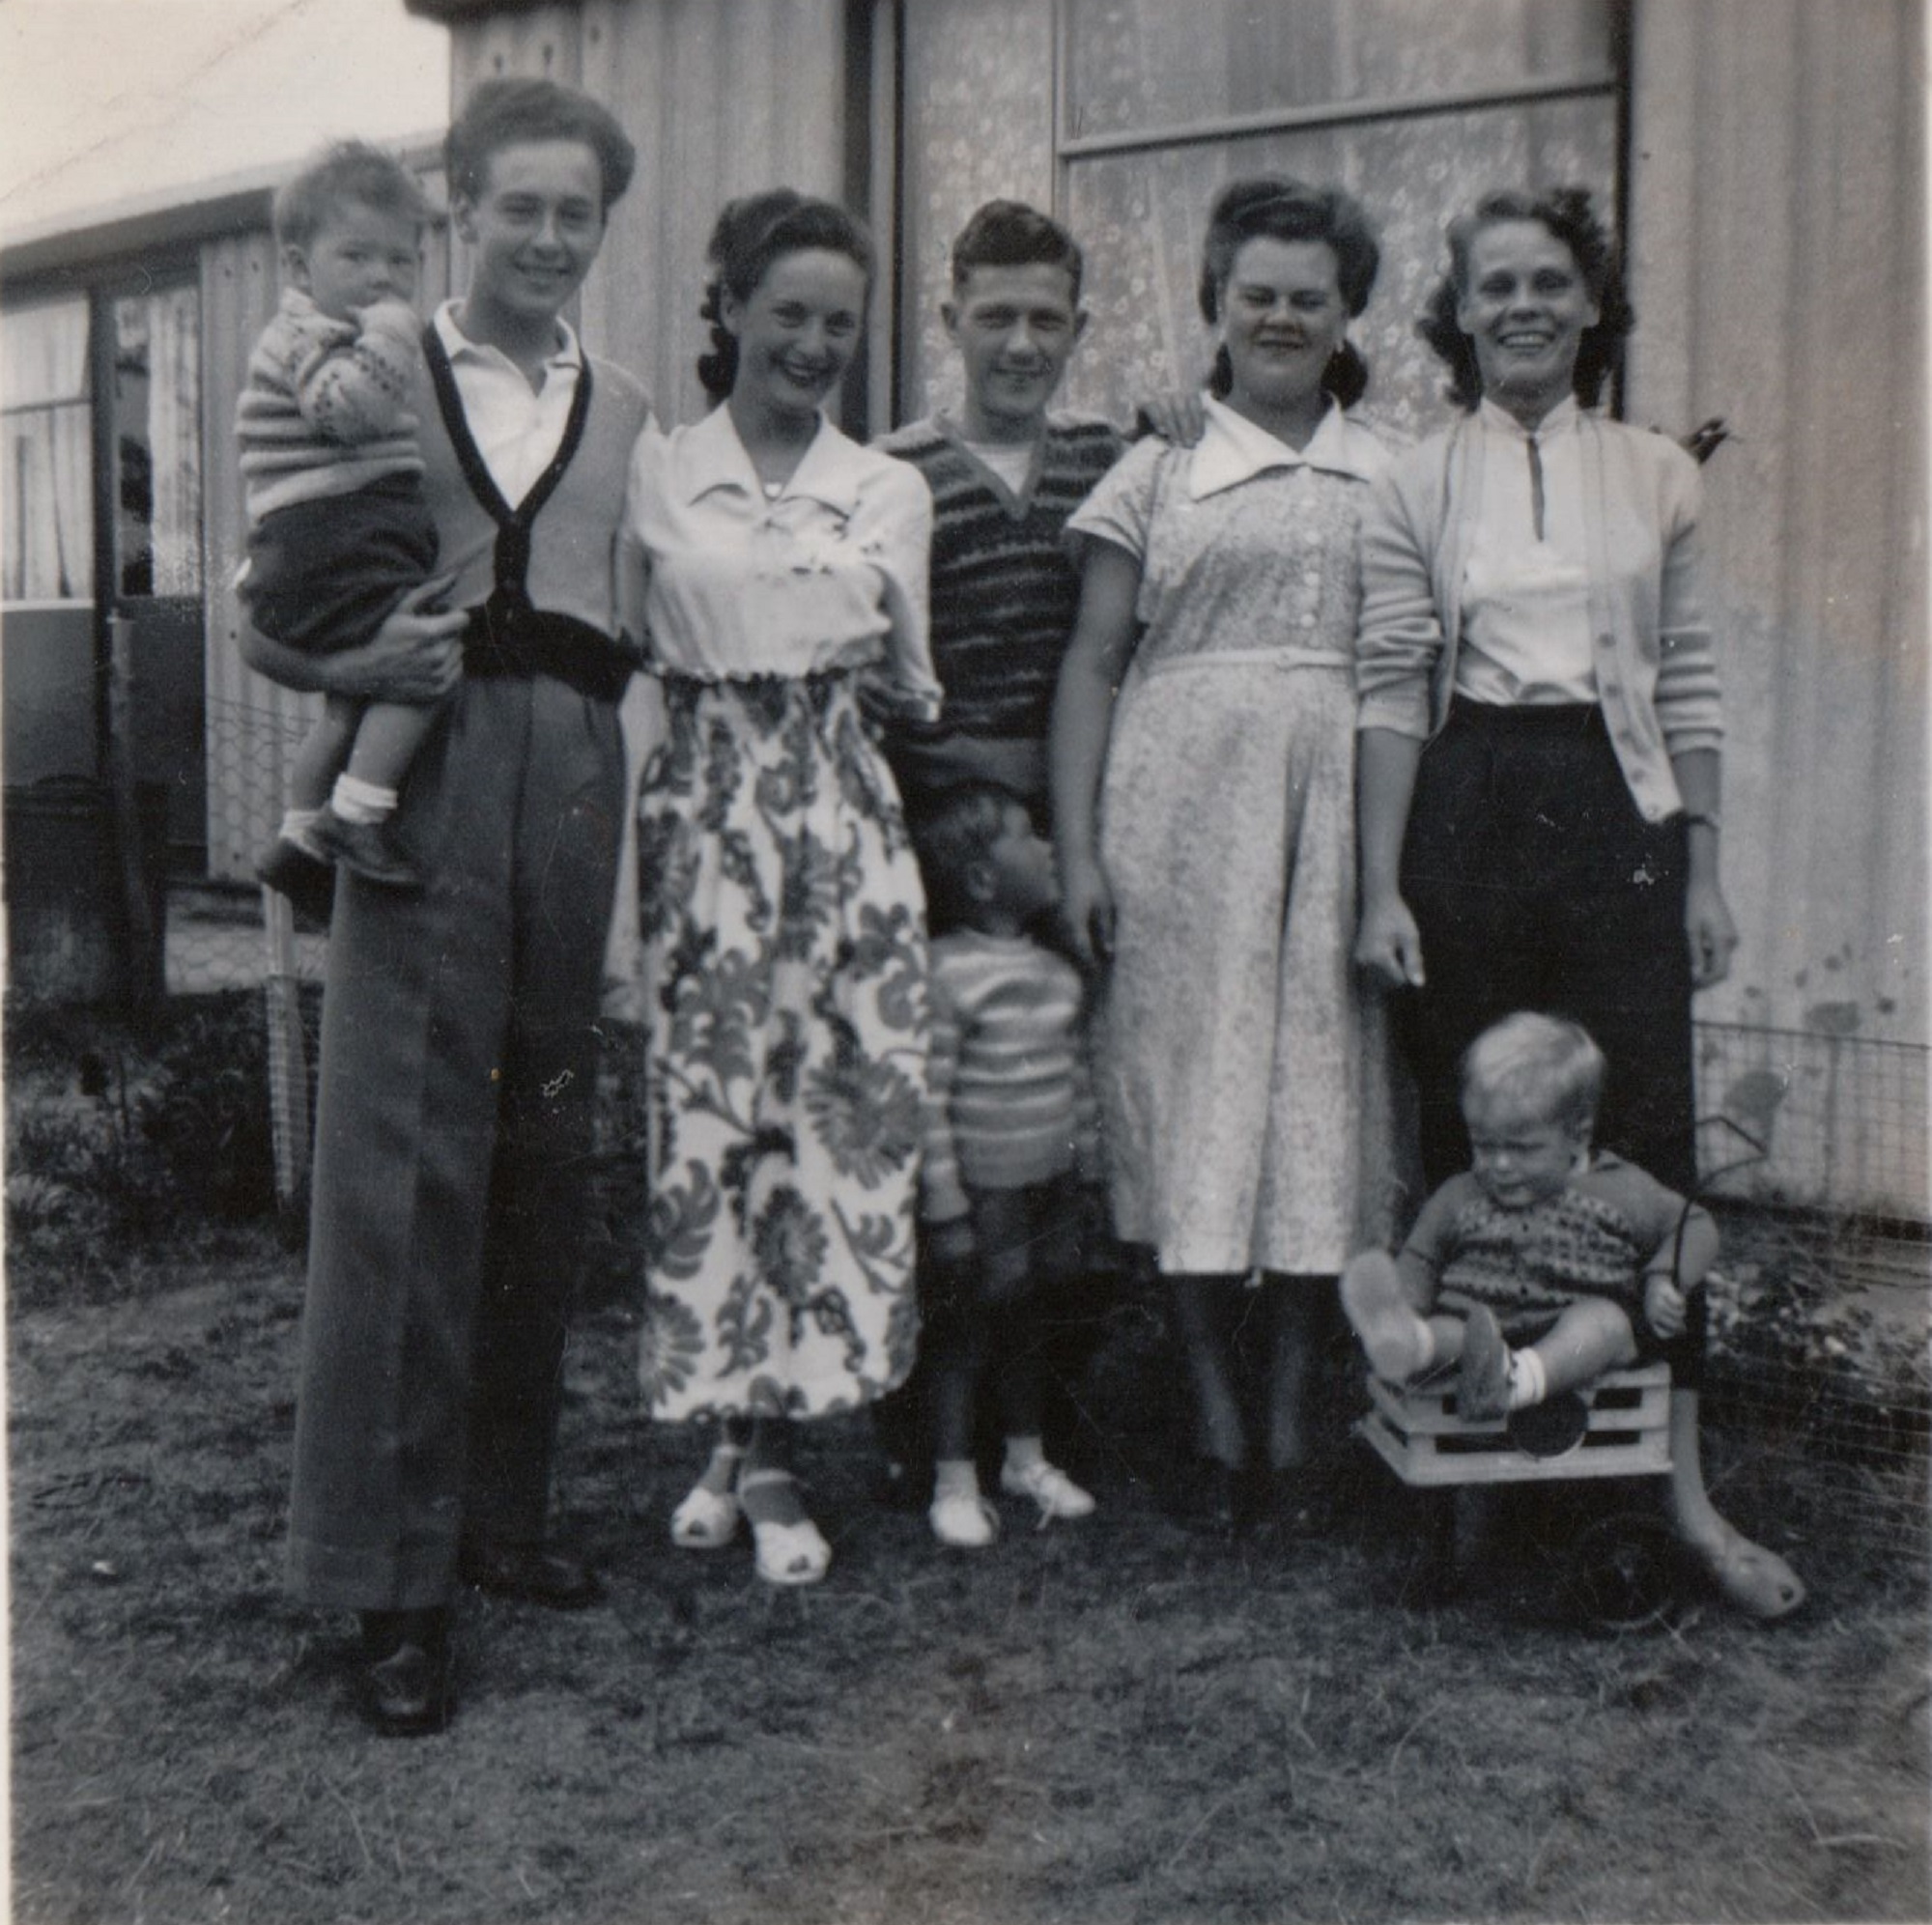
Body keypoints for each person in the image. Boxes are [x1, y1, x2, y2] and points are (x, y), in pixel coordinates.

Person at [243, 77, 652, 1733]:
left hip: (573, 776)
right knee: (403, 1165)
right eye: (519, 207)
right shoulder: (367, 361)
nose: (548, 238)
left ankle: (502, 1515)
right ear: (459, 208)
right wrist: (355, 668)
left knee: (543, 1150)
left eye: (578, 213)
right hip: (423, 771)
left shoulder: (623, 402)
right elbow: (272, 604)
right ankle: (382, 1575)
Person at [1351, 186, 1803, 1618]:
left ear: (1593, 303)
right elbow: (1386, 688)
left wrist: (1707, 865)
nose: (1525, 307)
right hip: (1466, 808)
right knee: (1469, 1142)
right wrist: (1381, 885)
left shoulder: (1658, 471)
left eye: (1551, 282)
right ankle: (1470, 1496)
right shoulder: (1411, 478)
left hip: (1619, 814)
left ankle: (1674, 1495)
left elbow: (1689, 683)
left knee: (1645, 1142)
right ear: (1460, 312)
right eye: (1496, 288)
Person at [1051, 178, 1398, 1531]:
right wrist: (1079, 850)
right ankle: (1210, 1409)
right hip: (1177, 809)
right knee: (1195, 1098)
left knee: (1320, 1097)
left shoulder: (1392, 472)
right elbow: (1092, 661)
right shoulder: (1156, 465)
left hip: (1333, 816)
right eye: (1256, 289)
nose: (1281, 314)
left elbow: (1404, 669)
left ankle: (1299, 1407)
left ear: (1349, 309)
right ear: (1215, 299)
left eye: (1310, 294)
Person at [620, 189, 937, 1588]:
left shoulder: (887, 488)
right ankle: (723, 1436)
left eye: (840, 323)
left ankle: (772, 1453)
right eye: (789, 312)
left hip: (840, 822)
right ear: (731, 308)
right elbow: (627, 656)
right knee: (712, 1130)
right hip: (696, 810)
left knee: (822, 1131)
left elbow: (911, 687)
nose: (813, 342)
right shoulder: (652, 469)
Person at [1342, 1013, 1712, 1457]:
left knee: (1605, 1324)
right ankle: (1408, 1343)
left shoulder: (1622, 1188)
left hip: (1572, 1345)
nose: (1498, 1164)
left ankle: (1517, 1380)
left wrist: (1663, 1278)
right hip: (1480, 1334)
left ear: (1578, 1135)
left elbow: (1696, 1223)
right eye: (1483, 1145)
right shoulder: (1460, 1194)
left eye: (1521, 1149)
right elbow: (1422, 1257)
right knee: (1450, 1332)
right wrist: (1405, 1303)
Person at [875, 201, 1122, 821]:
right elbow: (880, 685)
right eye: (995, 318)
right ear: (951, 322)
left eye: (1046, 321)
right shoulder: (888, 472)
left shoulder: (1106, 458)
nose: (1021, 345)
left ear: (1079, 329)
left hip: (1087, 816)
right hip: (944, 824)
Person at [241, 141, 443, 899]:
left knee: (348, 703)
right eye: (357, 257)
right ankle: (357, 813)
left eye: (402, 261)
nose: (384, 278)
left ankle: (296, 832)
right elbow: (350, 412)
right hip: (336, 532)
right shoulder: (309, 334)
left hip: (319, 535)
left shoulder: (322, 331)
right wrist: (395, 332)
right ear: (299, 268)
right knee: (425, 667)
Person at [911, 782, 1105, 1547]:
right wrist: (945, 1202)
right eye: (1031, 836)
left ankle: (1027, 1458)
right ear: (983, 879)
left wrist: (1086, 1170)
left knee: (1029, 1317)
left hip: (1047, 1185)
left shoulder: (1058, 973)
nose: (1052, 848)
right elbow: (928, 1096)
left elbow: (1078, 1080)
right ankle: (953, 1477)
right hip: (982, 1190)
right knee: (965, 1325)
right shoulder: (945, 972)